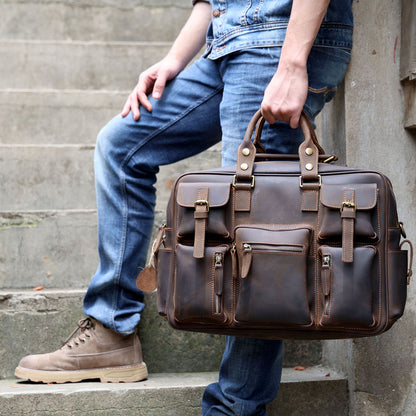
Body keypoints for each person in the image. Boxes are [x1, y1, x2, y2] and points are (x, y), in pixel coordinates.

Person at [15, 0, 353, 414]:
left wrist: (293, 63)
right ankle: (112, 329)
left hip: (277, 43)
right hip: (224, 43)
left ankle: (235, 407)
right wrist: (174, 59)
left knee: (250, 231)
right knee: (121, 147)